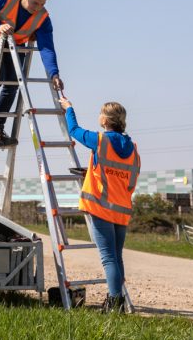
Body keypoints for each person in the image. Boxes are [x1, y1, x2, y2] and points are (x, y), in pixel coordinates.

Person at [58, 98, 141, 313]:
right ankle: (117, 300)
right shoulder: (132, 148)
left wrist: (69, 109)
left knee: (108, 258)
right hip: (121, 211)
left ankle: (115, 303)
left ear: (105, 119)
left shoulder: (101, 140)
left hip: (102, 209)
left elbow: (74, 130)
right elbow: (126, 178)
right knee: (116, 256)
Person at [0, 0, 63, 147]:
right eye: (35, 2)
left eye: (42, 4)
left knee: (14, 83)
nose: (37, 7)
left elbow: (47, 48)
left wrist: (54, 73)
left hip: (16, 43)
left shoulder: (43, 18)